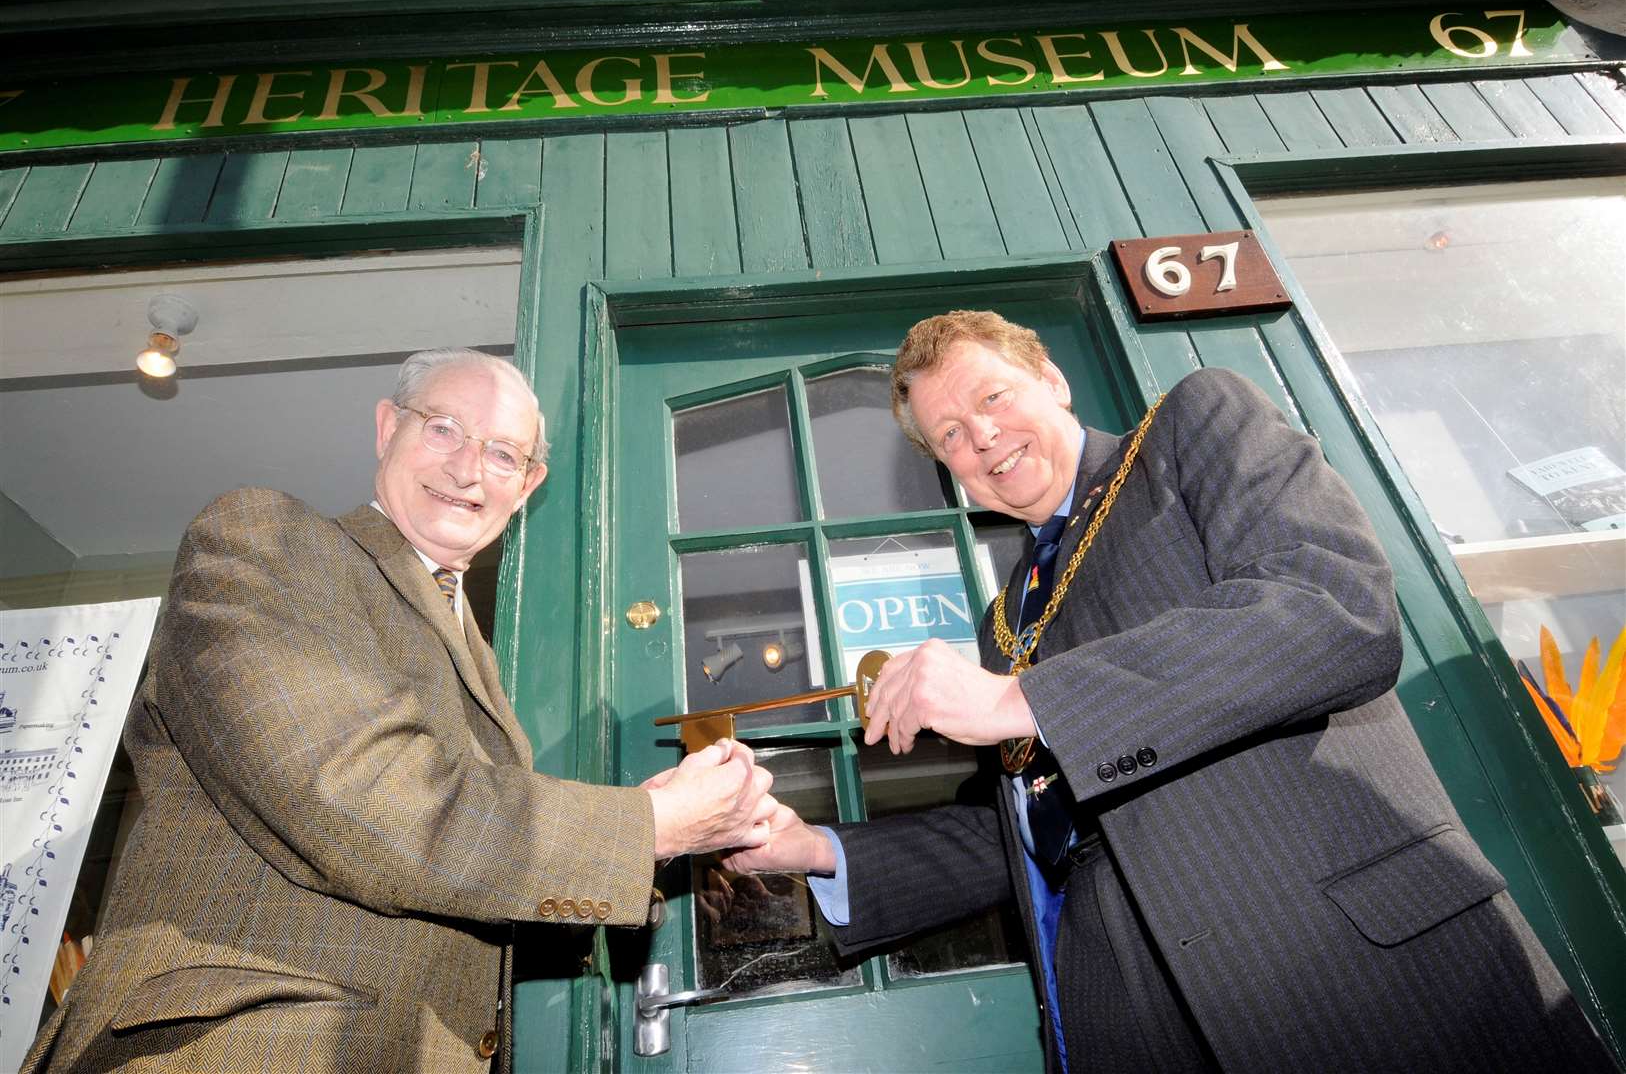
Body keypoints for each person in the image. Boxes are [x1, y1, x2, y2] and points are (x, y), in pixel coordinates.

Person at [729, 311, 1619, 1073]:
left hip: (1351, 969)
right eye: (950, 435)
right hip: (1137, 1018)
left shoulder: (1194, 425)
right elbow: (1031, 834)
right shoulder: (1007, 620)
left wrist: (1023, 702)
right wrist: (817, 850)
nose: (981, 437)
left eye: (992, 399)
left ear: (1054, 380)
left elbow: (1333, 605)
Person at [23, 348, 775, 1074]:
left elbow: (464, 884)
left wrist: (653, 843)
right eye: (444, 428)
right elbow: (357, 797)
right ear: (388, 428)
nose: (468, 467)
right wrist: (645, 828)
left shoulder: (466, 642)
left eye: (504, 454)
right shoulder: (266, 539)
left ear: (528, 484)